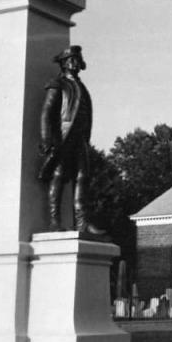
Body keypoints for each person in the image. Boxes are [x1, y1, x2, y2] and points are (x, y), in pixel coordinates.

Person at [38, 45, 105, 235]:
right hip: (63, 137)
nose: (75, 63)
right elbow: (46, 112)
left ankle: (82, 222)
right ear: (64, 63)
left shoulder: (81, 86)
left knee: (83, 177)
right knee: (58, 176)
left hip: (80, 138)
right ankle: (54, 221)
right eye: (71, 60)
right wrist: (46, 138)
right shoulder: (57, 84)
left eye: (77, 59)